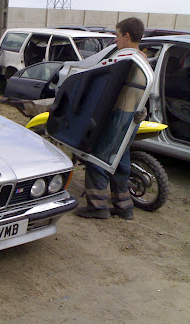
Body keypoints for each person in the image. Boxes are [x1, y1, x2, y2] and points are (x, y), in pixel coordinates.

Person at [76, 17, 150, 221]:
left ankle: (97, 207)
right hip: (132, 118)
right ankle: (124, 206)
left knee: (98, 157)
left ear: (127, 36)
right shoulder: (143, 59)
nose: (115, 40)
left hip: (119, 116)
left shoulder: (126, 59)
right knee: (119, 160)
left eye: (117, 36)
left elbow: (105, 86)